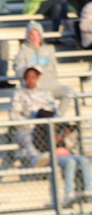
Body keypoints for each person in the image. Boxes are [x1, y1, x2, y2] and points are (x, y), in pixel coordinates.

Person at [11, 65, 91, 204]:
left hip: (48, 127)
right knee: (27, 135)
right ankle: (37, 158)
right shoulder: (19, 94)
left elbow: (53, 113)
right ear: (24, 78)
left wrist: (55, 128)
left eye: (34, 77)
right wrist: (33, 123)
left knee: (83, 159)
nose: (31, 80)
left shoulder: (46, 93)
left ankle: (89, 191)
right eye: (28, 77)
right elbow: (14, 116)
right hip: (29, 128)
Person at [14, 22, 74, 108]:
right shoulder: (22, 52)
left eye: (37, 34)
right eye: (32, 34)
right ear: (27, 36)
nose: (34, 38)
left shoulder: (48, 50)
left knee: (68, 91)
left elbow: (53, 69)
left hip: (50, 85)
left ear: (40, 35)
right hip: (32, 88)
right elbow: (19, 70)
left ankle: (58, 117)